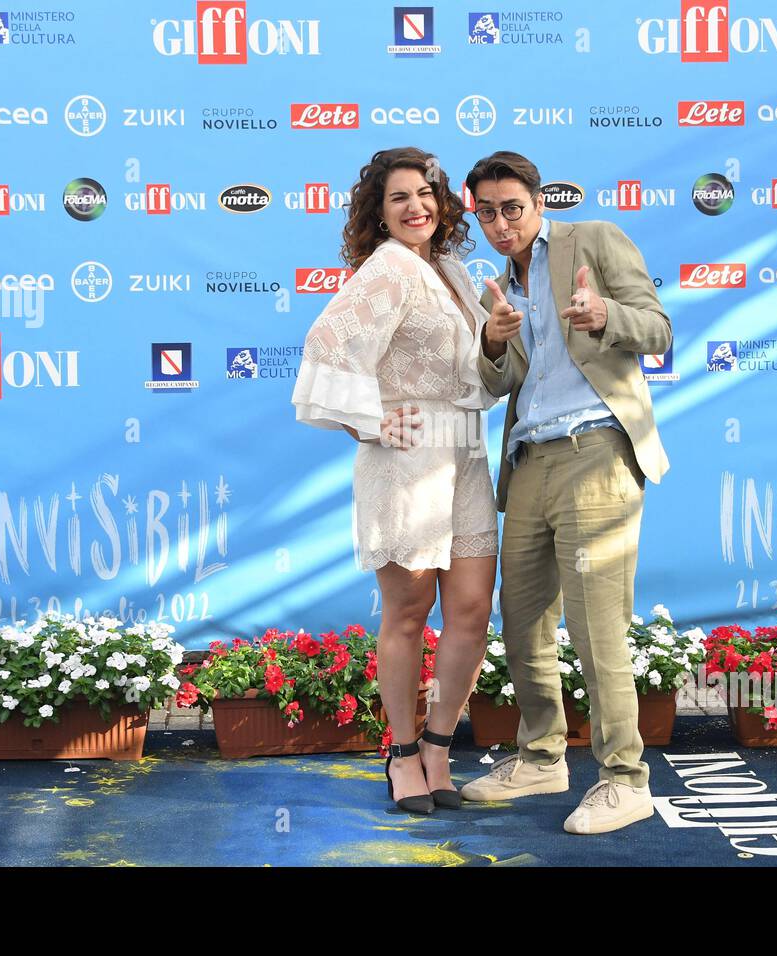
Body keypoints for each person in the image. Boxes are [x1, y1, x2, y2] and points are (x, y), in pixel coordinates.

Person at [458, 151, 672, 835]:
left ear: (539, 201)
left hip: (596, 452)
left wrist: (604, 312)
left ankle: (625, 780)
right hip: (529, 461)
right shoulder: (498, 286)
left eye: (511, 208)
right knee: (522, 621)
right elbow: (498, 385)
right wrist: (493, 343)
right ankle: (541, 757)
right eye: (486, 213)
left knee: (595, 625)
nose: (500, 224)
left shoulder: (595, 240)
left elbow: (658, 329)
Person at [291, 147, 499, 815]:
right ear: (379, 214)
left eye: (426, 193)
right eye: (399, 197)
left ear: (443, 202)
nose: (417, 207)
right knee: (408, 615)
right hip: (406, 463)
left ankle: (439, 746)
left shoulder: (452, 271)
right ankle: (402, 753)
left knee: (471, 613)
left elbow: (476, 371)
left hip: (465, 455)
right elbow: (327, 345)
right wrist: (371, 422)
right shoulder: (386, 268)